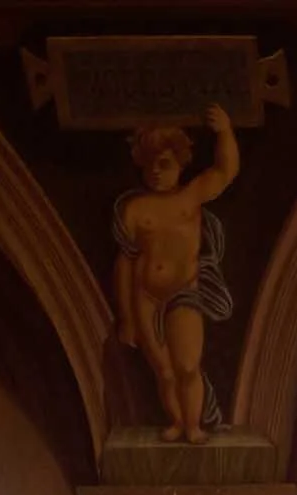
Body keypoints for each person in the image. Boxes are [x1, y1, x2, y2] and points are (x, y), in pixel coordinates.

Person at [114, 106, 239, 444]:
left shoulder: (191, 196)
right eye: (149, 165)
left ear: (181, 163)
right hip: (146, 297)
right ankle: (177, 422)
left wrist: (225, 132)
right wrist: (126, 318)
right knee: (165, 372)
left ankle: (195, 426)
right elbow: (126, 263)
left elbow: (226, 171)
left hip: (185, 291)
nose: (156, 172)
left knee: (186, 366)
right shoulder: (134, 209)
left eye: (165, 164)